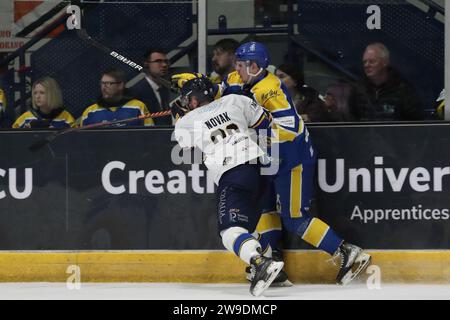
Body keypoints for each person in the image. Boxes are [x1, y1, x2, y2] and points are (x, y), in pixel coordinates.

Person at [171, 42, 371, 286]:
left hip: (291, 157)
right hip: (262, 160)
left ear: (254, 67)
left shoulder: (271, 90)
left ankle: (346, 252)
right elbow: (216, 93)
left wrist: (243, 130)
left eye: (241, 65)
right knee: (264, 210)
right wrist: (195, 85)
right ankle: (273, 263)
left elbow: (289, 129)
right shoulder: (238, 76)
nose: (236, 69)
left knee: (295, 218)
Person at [173, 76, 284, 297]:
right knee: (248, 231)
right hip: (260, 169)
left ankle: (259, 262)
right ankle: (276, 270)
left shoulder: (187, 121)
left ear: (193, 101)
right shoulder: (235, 100)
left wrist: (176, 114)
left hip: (233, 173)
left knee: (229, 232)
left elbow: (186, 147)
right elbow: (266, 122)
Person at [354, 43, 424, 121]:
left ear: (385, 62)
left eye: (372, 61)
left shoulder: (403, 90)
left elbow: (416, 123)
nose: (367, 65)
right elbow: (352, 121)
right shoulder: (359, 90)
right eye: (364, 62)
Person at [81, 68, 154, 127]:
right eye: (102, 83)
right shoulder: (90, 112)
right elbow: (81, 140)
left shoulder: (137, 107)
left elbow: (150, 136)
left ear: (120, 85)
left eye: (108, 83)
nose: (104, 87)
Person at [129, 49, 172, 125]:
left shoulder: (165, 88)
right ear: (146, 64)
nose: (164, 65)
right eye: (158, 61)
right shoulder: (136, 92)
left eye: (166, 61)